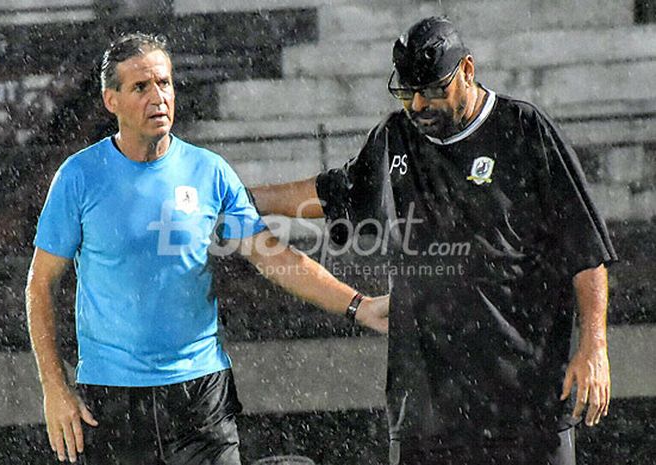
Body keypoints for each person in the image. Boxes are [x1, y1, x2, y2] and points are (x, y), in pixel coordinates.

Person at [249, 16, 617, 465]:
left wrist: (593, 345)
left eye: (433, 89)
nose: (420, 103)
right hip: (430, 408)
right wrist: (246, 198)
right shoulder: (395, 137)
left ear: (467, 69)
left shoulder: (524, 130)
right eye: (407, 92)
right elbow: (332, 195)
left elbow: (586, 252)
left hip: (528, 399)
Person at [25, 33, 388, 465]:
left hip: (200, 396)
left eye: (164, 83)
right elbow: (39, 285)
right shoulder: (79, 177)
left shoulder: (210, 172)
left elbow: (275, 258)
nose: (158, 96)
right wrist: (53, 387)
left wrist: (358, 305)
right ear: (111, 100)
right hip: (111, 404)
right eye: (141, 87)